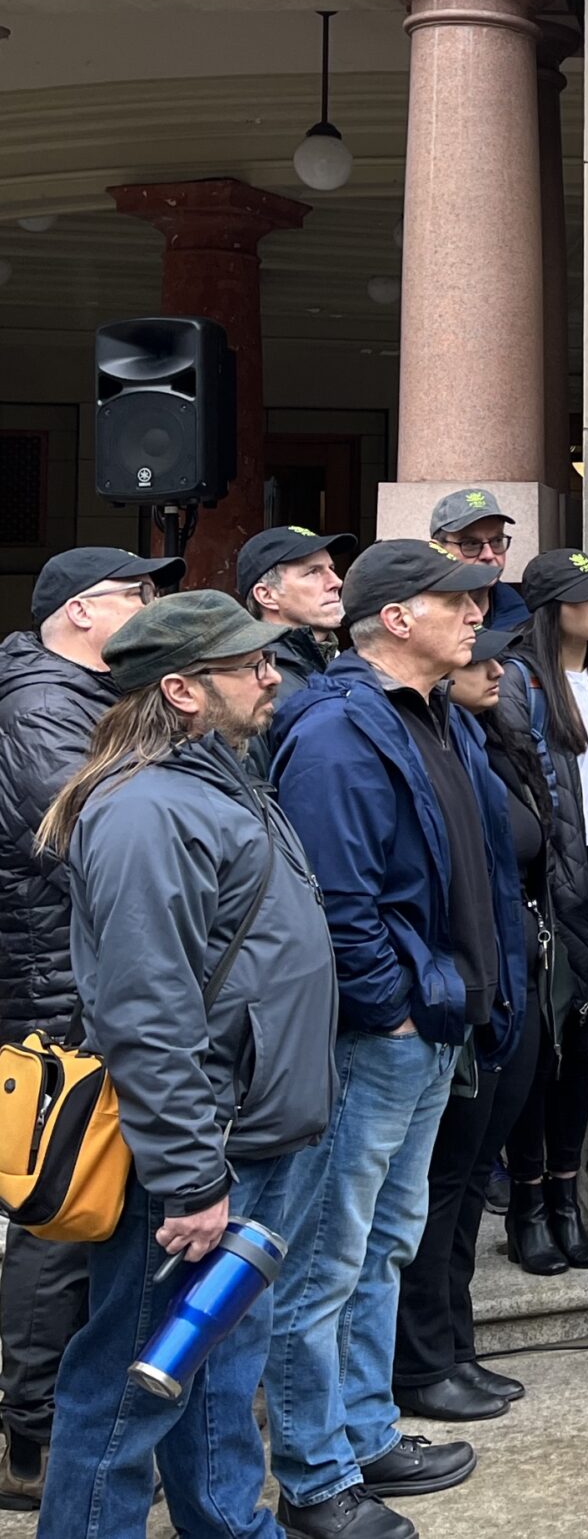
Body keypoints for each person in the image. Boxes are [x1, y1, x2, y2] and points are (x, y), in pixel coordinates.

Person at [29, 594, 334, 1539]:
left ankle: (233, 1528)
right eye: (248, 665)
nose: (271, 674)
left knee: (215, 1362)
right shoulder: (145, 808)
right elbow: (145, 1012)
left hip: (253, 1133)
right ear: (181, 689)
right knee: (129, 1381)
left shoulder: (218, 782)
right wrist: (192, 1177)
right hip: (206, 1153)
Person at [265, 539, 527, 1539]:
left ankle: (367, 1432)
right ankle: (315, 1473)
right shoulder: (336, 728)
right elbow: (338, 897)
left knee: (381, 1245)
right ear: (396, 618)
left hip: (433, 1023)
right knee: (328, 1257)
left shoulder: (436, 717)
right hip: (385, 1033)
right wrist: (397, 1005)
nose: (476, 615)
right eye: (456, 600)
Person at [0, 546, 179, 1509]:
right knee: (57, 1214)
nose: (149, 608)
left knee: (90, 1214)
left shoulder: (78, 698)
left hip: (83, 984)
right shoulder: (38, 706)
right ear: (79, 612)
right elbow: (85, 840)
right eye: (134, 595)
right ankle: (30, 1441)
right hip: (53, 997)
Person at [389, 626, 544, 1424]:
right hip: (455, 990)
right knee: (439, 1186)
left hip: (505, 980)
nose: (498, 667)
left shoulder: (484, 737)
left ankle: (454, 1341)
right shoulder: (423, 738)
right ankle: (420, 1360)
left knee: (467, 1177)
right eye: (481, 654)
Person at [497, 548, 588, 1277]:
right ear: (552, 607)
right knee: (539, 1054)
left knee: (579, 1050)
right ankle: (525, 1205)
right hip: (548, 881)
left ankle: (564, 1200)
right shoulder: (519, 680)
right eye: (586, 595)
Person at [238, 524, 357, 704]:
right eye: (313, 572)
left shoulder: (351, 667)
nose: (337, 582)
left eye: (331, 569)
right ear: (267, 595)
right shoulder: (253, 683)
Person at [427, 488, 531, 631]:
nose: (488, 555)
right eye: (471, 544)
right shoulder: (414, 620)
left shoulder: (523, 620)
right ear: (437, 549)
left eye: (496, 541)